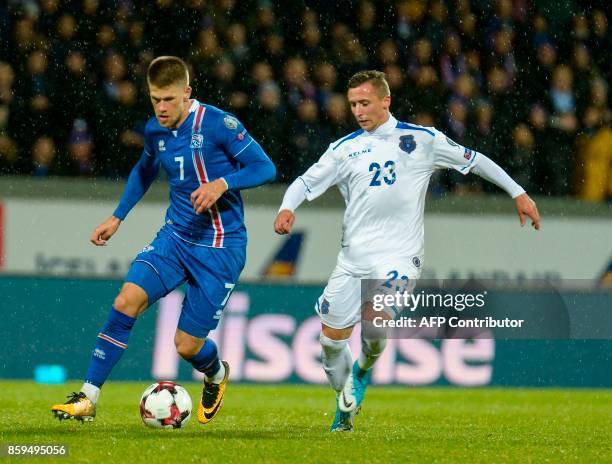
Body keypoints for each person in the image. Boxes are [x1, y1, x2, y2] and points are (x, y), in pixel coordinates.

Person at [274, 70, 540, 432]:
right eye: (353, 104)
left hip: (399, 258)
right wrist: (287, 208)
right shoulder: (343, 149)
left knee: (375, 324)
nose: (358, 111)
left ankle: (363, 371)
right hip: (352, 261)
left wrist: (518, 192)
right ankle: (344, 398)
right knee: (330, 341)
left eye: (365, 103)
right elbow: (304, 183)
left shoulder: (423, 139)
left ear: (386, 101)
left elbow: (475, 159)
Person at [52, 56, 276, 424]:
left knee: (187, 346)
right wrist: (117, 216)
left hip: (220, 248)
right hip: (174, 238)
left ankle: (216, 373)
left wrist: (223, 183)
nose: (161, 107)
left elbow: (265, 167)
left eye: (168, 99)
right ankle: (88, 397)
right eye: (155, 99)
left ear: (187, 94)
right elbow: (144, 169)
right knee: (126, 300)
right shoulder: (155, 130)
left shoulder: (219, 124)